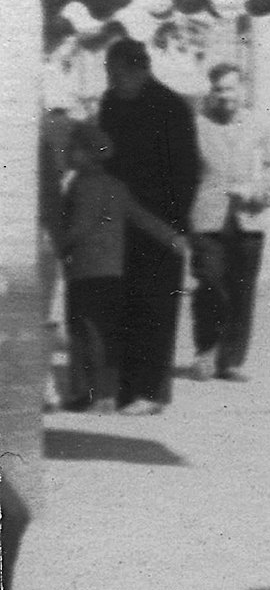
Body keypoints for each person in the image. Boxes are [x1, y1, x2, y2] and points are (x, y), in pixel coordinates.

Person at [52, 120, 191, 413]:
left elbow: (80, 227)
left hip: (85, 269)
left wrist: (56, 246)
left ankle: (90, 395)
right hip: (112, 271)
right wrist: (173, 238)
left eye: (72, 148)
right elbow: (140, 217)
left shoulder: (83, 185)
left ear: (87, 153)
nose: (67, 153)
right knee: (104, 333)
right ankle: (105, 393)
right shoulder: (116, 186)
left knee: (83, 333)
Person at [97, 39, 202, 416]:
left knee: (156, 307)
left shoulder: (172, 107)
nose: (113, 82)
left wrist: (174, 225)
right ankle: (126, 388)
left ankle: (151, 392)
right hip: (117, 219)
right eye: (109, 74)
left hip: (161, 224)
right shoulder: (110, 102)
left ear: (141, 69)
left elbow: (188, 171)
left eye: (119, 74)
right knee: (123, 304)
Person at [188, 63, 270, 383]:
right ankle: (206, 351)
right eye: (218, 89)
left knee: (242, 290)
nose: (224, 96)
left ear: (241, 89)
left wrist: (259, 188)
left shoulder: (261, 125)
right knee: (210, 284)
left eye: (230, 88)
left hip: (249, 216)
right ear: (210, 91)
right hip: (207, 219)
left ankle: (230, 359)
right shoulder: (197, 126)